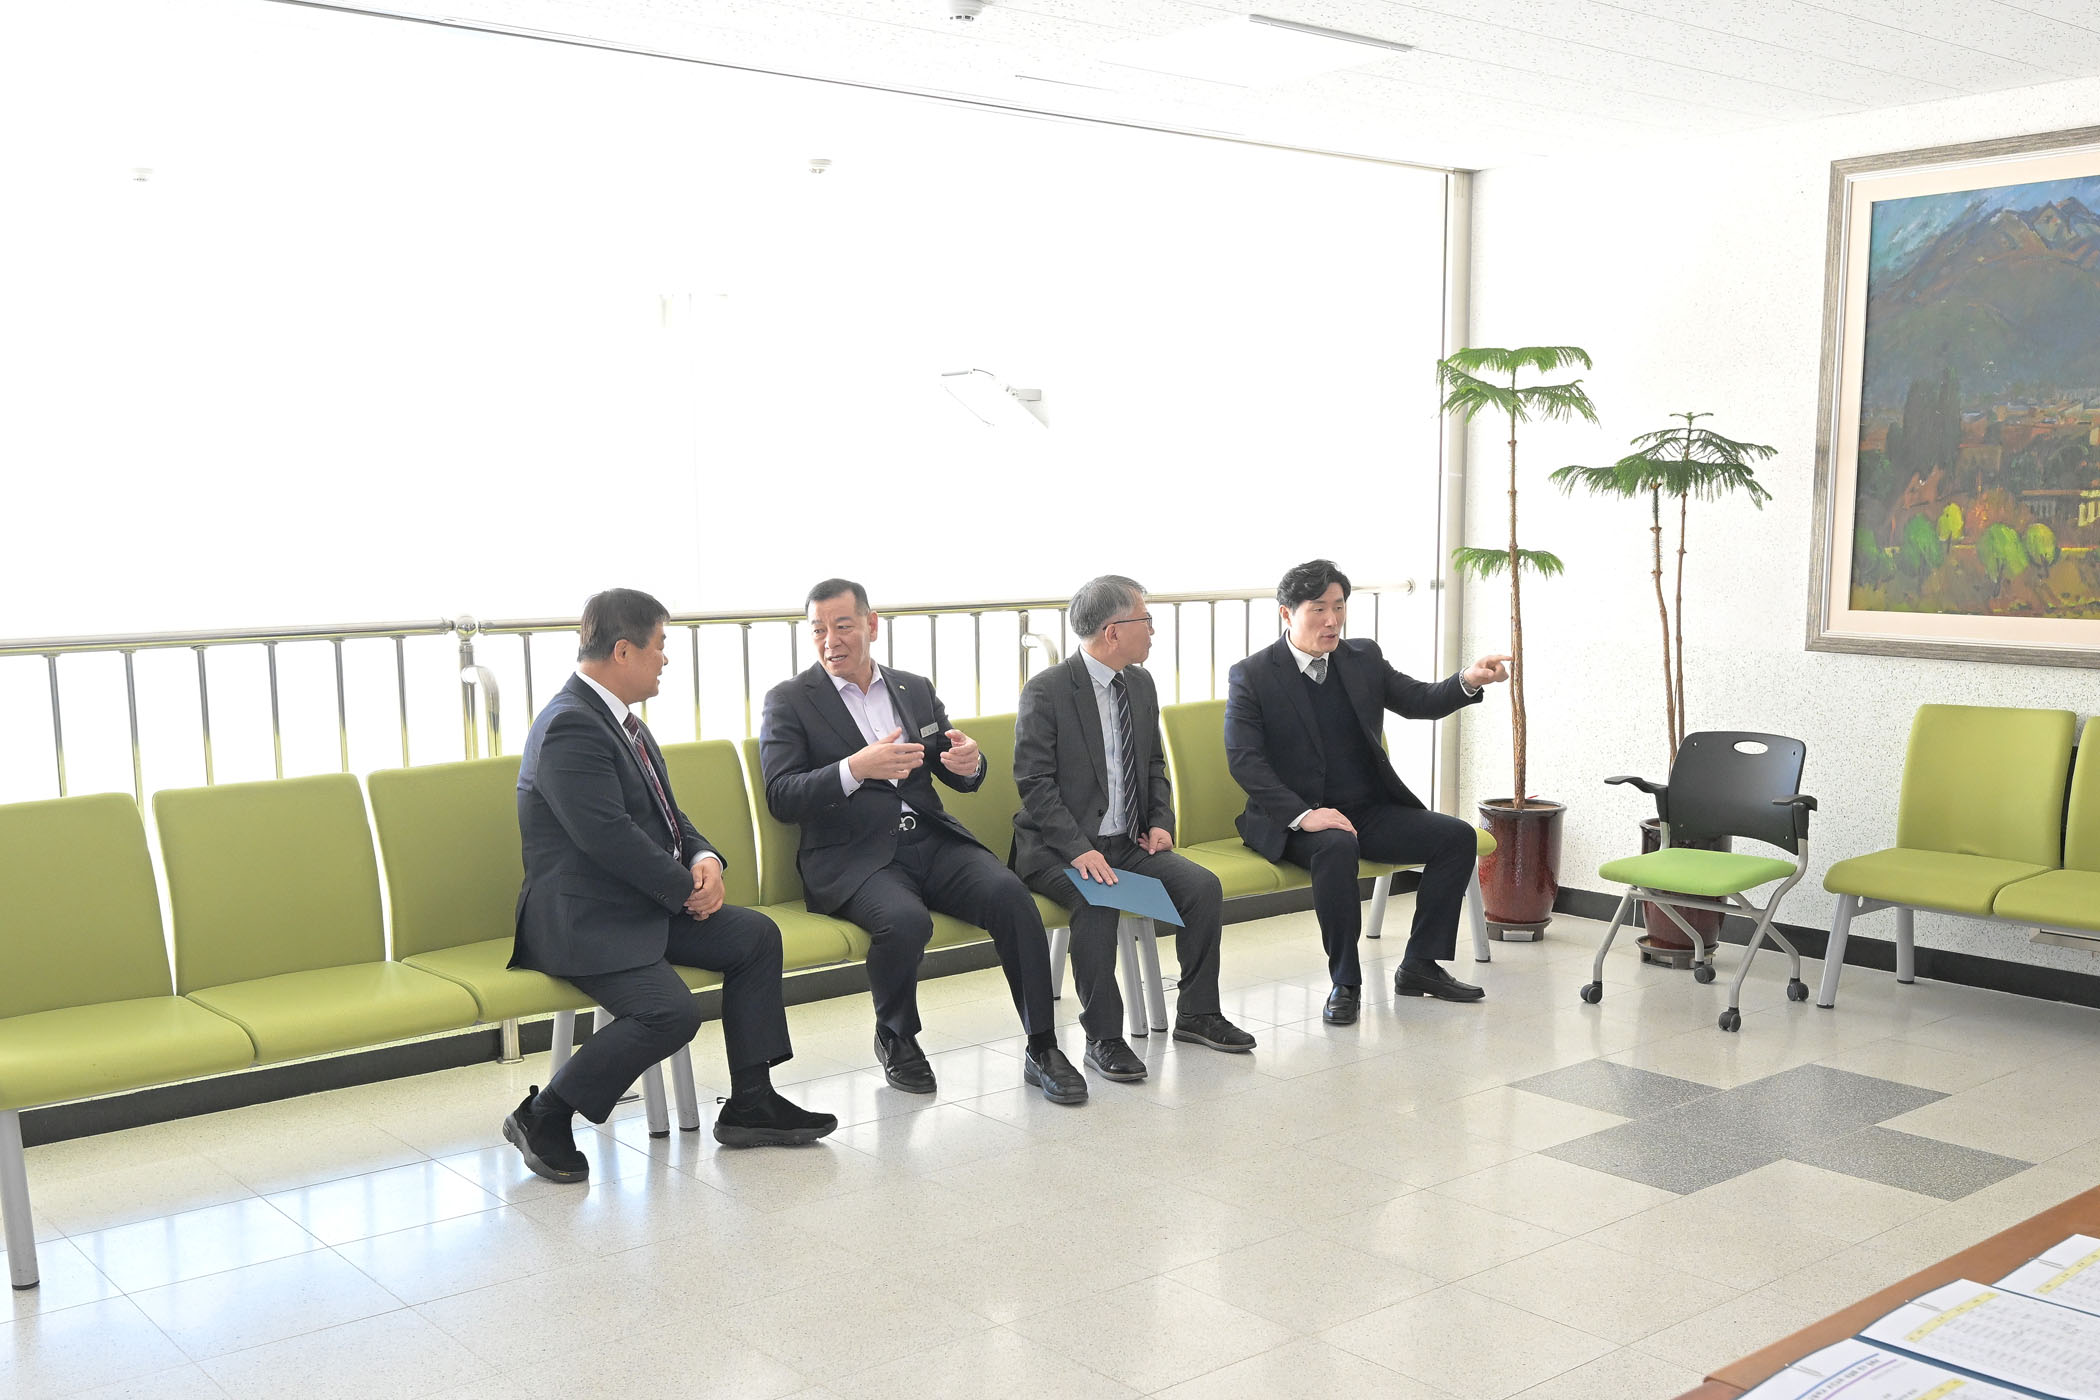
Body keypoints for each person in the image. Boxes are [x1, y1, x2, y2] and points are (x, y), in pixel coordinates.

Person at [502, 588, 835, 1184]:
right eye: (659, 645)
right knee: (669, 1013)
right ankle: (544, 1114)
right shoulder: (569, 726)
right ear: (623, 651)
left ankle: (752, 1102)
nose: (665, 658)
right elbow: (607, 836)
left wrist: (705, 859)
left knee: (755, 937)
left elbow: (665, 815)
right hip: (584, 919)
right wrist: (684, 889)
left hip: (640, 903)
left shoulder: (623, 722)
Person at [758, 579, 1087, 1105]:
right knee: (905, 921)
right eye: (818, 630)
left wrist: (969, 762)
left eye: (842, 626)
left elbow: (953, 764)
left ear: (871, 625)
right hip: (854, 857)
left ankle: (1043, 1046)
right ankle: (896, 1036)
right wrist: (855, 768)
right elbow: (781, 795)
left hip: (932, 839)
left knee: (1010, 897)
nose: (830, 641)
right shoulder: (790, 701)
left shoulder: (911, 687)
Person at [1224, 559, 1511, 1025]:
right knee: (1336, 846)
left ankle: (1419, 965)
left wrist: (1468, 681)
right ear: (1287, 614)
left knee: (1455, 837)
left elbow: (1418, 700)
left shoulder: (1362, 658)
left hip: (1366, 810)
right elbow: (1244, 760)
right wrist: (1304, 815)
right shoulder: (1253, 674)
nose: (1332, 620)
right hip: (1293, 821)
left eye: (1339, 607)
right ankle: (1346, 981)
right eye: (1319, 609)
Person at [1013, 575, 1255, 1082]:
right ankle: (1103, 1037)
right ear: (1113, 631)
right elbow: (1034, 783)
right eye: (1145, 619)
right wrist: (1078, 850)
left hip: (1128, 842)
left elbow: (1152, 764)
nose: (1152, 629)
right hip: (1058, 850)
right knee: (1098, 898)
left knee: (1202, 887)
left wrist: (1161, 822)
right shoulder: (1047, 690)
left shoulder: (1139, 684)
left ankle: (1198, 1013)